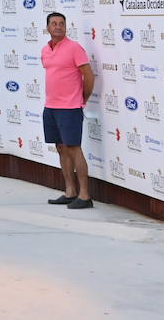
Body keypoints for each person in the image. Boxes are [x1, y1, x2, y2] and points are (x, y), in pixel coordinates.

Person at [41, 11, 95, 210]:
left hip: (70, 108)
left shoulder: (74, 48)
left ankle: (85, 195)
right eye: (54, 23)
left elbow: (88, 76)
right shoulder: (45, 50)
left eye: (61, 23)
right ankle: (70, 191)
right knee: (61, 148)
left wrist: (84, 98)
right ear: (47, 27)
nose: (58, 26)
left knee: (74, 149)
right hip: (51, 107)